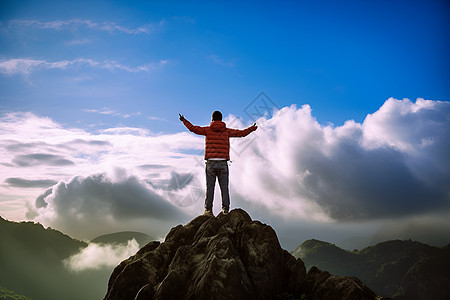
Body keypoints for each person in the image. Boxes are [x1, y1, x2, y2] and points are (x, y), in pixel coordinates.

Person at [179, 111, 257, 216]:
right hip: (223, 163)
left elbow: (193, 128)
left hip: (210, 163)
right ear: (221, 119)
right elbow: (241, 133)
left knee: (210, 187)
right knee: (224, 188)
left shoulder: (207, 130)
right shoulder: (227, 131)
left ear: (212, 119)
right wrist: (251, 128)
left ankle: (208, 210)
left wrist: (184, 120)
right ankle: (225, 210)